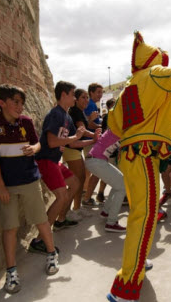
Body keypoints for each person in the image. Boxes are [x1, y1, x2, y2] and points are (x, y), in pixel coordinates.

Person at [105, 17, 171, 302]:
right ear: (153, 59)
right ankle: (126, 284)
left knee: (141, 214)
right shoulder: (154, 75)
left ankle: (136, 263)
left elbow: (114, 126)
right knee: (145, 215)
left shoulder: (129, 86)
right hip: (143, 155)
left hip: (130, 155)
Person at [0, 84, 59, 294]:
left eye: (21, 102)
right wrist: (0, 186)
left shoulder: (26, 121)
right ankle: (11, 271)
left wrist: (32, 149)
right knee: (10, 227)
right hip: (8, 186)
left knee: (41, 220)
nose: (20, 106)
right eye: (15, 102)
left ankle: (52, 253)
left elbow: (38, 145)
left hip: (30, 180)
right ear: (2, 103)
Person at [33, 81, 94, 238]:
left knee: (75, 183)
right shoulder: (55, 114)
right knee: (62, 197)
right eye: (73, 95)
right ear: (64, 95)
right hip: (46, 160)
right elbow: (52, 141)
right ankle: (40, 239)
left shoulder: (66, 116)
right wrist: (77, 136)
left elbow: (73, 143)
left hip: (55, 161)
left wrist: (93, 140)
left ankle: (61, 220)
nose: (74, 98)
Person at [66, 88, 99, 221]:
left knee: (79, 180)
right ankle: (68, 212)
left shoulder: (79, 111)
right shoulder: (76, 112)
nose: (86, 100)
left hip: (75, 149)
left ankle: (76, 208)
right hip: (72, 149)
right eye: (83, 97)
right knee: (76, 182)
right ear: (77, 99)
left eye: (87, 97)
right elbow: (83, 130)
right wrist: (96, 136)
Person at [85, 129, 127, 232]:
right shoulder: (121, 129)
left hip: (95, 160)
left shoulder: (115, 127)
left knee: (119, 184)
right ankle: (111, 222)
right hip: (97, 161)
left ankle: (106, 212)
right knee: (122, 187)